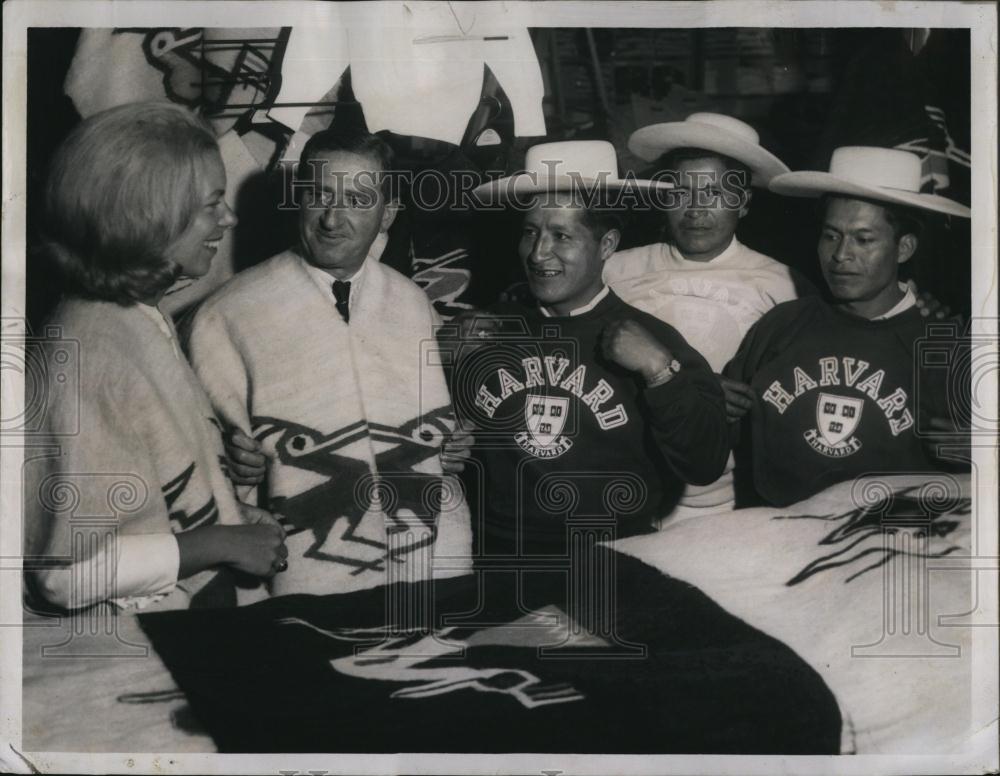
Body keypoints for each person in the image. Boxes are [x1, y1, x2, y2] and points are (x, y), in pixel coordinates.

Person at [186, 126, 472, 596]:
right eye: (320, 195)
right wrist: (229, 463)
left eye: (358, 200)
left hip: (427, 572)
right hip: (296, 577)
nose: (332, 219)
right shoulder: (228, 313)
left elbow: (434, 428)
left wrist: (452, 442)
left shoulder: (413, 303)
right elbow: (192, 462)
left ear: (388, 215)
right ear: (299, 200)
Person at [25, 101, 288, 613]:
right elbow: (65, 575)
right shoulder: (88, 349)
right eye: (212, 204)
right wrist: (219, 544)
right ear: (148, 218)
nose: (229, 218)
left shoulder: (136, 315)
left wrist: (229, 516)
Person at [458, 140, 730, 557]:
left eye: (562, 235)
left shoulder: (654, 341)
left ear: (606, 246)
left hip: (612, 559)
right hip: (497, 556)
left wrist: (659, 370)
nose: (538, 252)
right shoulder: (488, 329)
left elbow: (704, 462)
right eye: (531, 232)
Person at [724, 146, 971, 507]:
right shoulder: (782, 324)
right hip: (776, 540)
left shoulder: (945, 348)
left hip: (890, 545)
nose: (841, 255)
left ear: (904, 248)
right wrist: (702, 399)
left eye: (864, 239)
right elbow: (715, 437)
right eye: (831, 235)